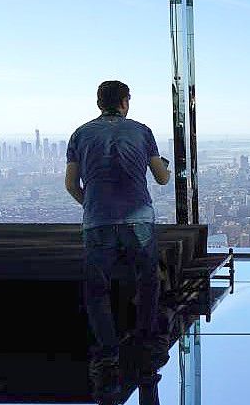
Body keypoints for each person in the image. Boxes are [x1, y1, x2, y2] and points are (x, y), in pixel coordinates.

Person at [65, 81, 170, 404]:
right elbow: (162, 178)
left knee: (97, 289)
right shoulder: (142, 131)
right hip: (137, 218)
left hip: (98, 221)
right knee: (148, 280)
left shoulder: (80, 135)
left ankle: (107, 354)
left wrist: (92, 206)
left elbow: (71, 184)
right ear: (125, 102)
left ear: (99, 103)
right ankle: (146, 342)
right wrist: (162, 164)